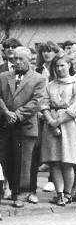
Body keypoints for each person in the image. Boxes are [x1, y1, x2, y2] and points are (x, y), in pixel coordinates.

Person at [0, 46, 49, 208]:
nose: (18, 62)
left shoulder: (39, 79)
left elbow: (37, 101)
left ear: (30, 60)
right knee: (6, 159)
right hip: (6, 125)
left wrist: (17, 115)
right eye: (15, 59)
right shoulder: (4, 76)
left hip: (26, 125)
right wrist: (7, 113)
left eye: (21, 59)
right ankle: (13, 189)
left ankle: (22, 192)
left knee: (23, 161)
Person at [39, 54, 76, 206]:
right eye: (57, 66)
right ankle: (59, 194)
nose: (59, 69)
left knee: (67, 160)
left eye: (62, 65)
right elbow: (44, 104)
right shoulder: (50, 85)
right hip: (50, 124)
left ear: (69, 66)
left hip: (68, 124)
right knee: (54, 161)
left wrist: (58, 121)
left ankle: (68, 193)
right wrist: (51, 121)